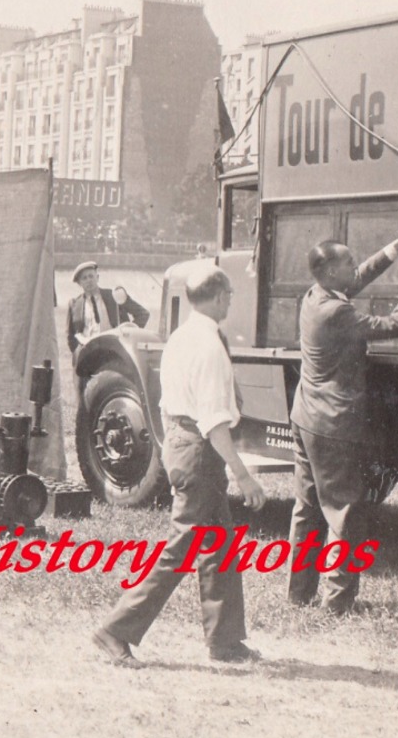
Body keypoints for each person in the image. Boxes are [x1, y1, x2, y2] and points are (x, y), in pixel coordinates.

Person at [92, 264, 267, 664]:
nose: (231, 302)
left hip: (180, 441)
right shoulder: (207, 346)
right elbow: (214, 422)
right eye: (230, 296)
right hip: (200, 450)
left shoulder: (180, 338)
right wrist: (243, 475)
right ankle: (114, 630)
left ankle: (225, 641)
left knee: (219, 544)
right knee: (180, 548)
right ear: (220, 297)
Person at [288, 231, 398, 614]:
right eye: (348, 262)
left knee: (307, 509)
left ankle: (299, 594)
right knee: (345, 511)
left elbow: (358, 276)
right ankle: (337, 604)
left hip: (306, 417)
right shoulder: (337, 312)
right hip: (333, 425)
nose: (355, 266)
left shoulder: (315, 295)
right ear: (331, 271)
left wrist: (392, 251)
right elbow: (392, 326)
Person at [66, 260, 150, 356]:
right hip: (86, 354)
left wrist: (128, 333)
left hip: (112, 351)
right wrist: (77, 351)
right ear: (79, 283)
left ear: (97, 278)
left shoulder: (114, 295)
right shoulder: (74, 304)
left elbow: (143, 314)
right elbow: (70, 335)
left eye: (91, 276)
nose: (89, 280)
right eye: (84, 278)